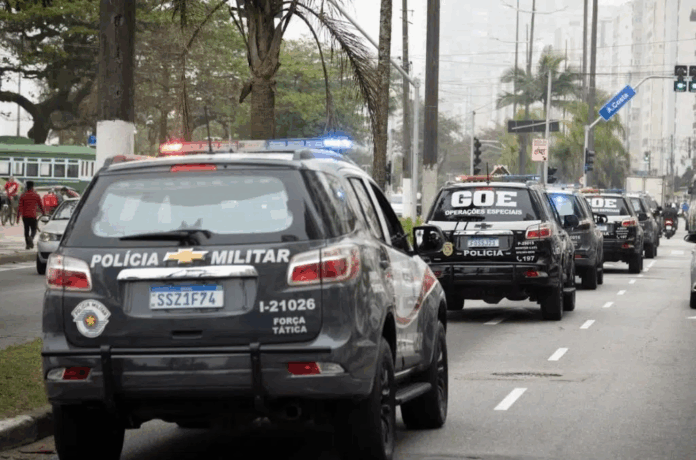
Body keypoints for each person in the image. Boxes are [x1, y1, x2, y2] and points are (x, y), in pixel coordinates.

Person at [16, 180, 45, 249]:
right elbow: (40, 205)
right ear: (32, 187)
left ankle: (27, 245)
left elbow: (20, 207)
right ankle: (31, 238)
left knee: (26, 230)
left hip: (25, 216)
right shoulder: (36, 195)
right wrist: (43, 213)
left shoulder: (23, 195)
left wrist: (18, 217)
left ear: (26, 186)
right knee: (34, 229)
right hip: (33, 216)